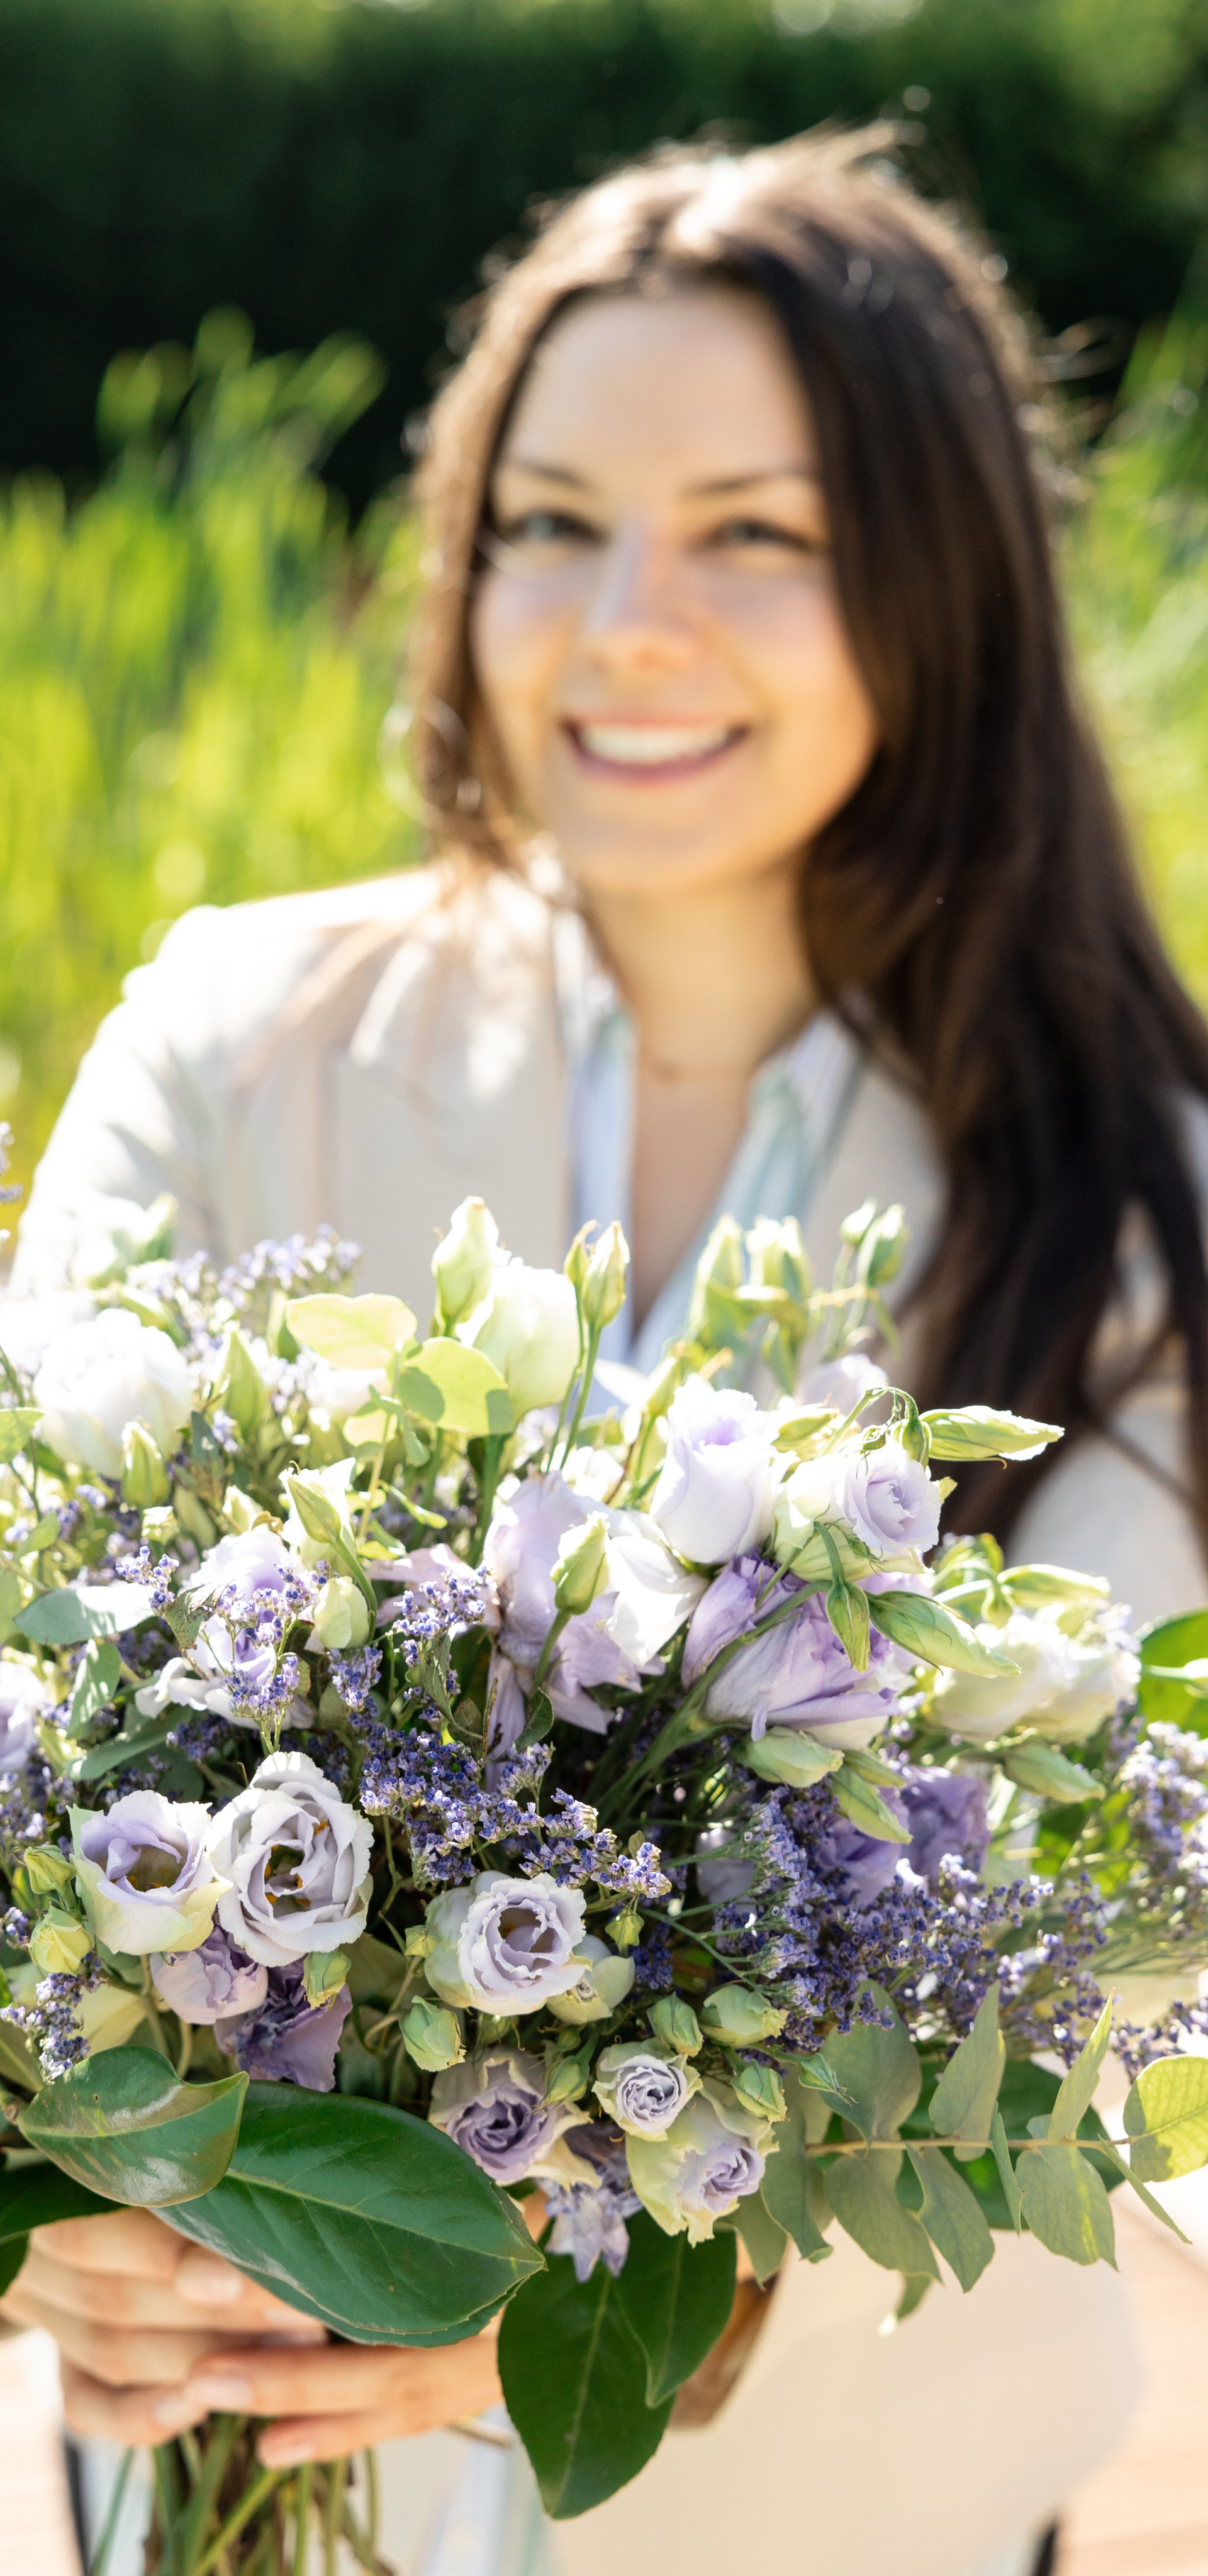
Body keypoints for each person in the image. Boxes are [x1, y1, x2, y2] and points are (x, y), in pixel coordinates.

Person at [6, 125, 1208, 2576]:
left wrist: (655, 2285)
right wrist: (64, 2195)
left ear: (946, 582)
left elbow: (1111, 1990)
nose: (618, 619)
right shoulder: (241, 1041)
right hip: (189, 2488)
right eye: (549, 521)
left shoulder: (1133, 1200)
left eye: (754, 533)